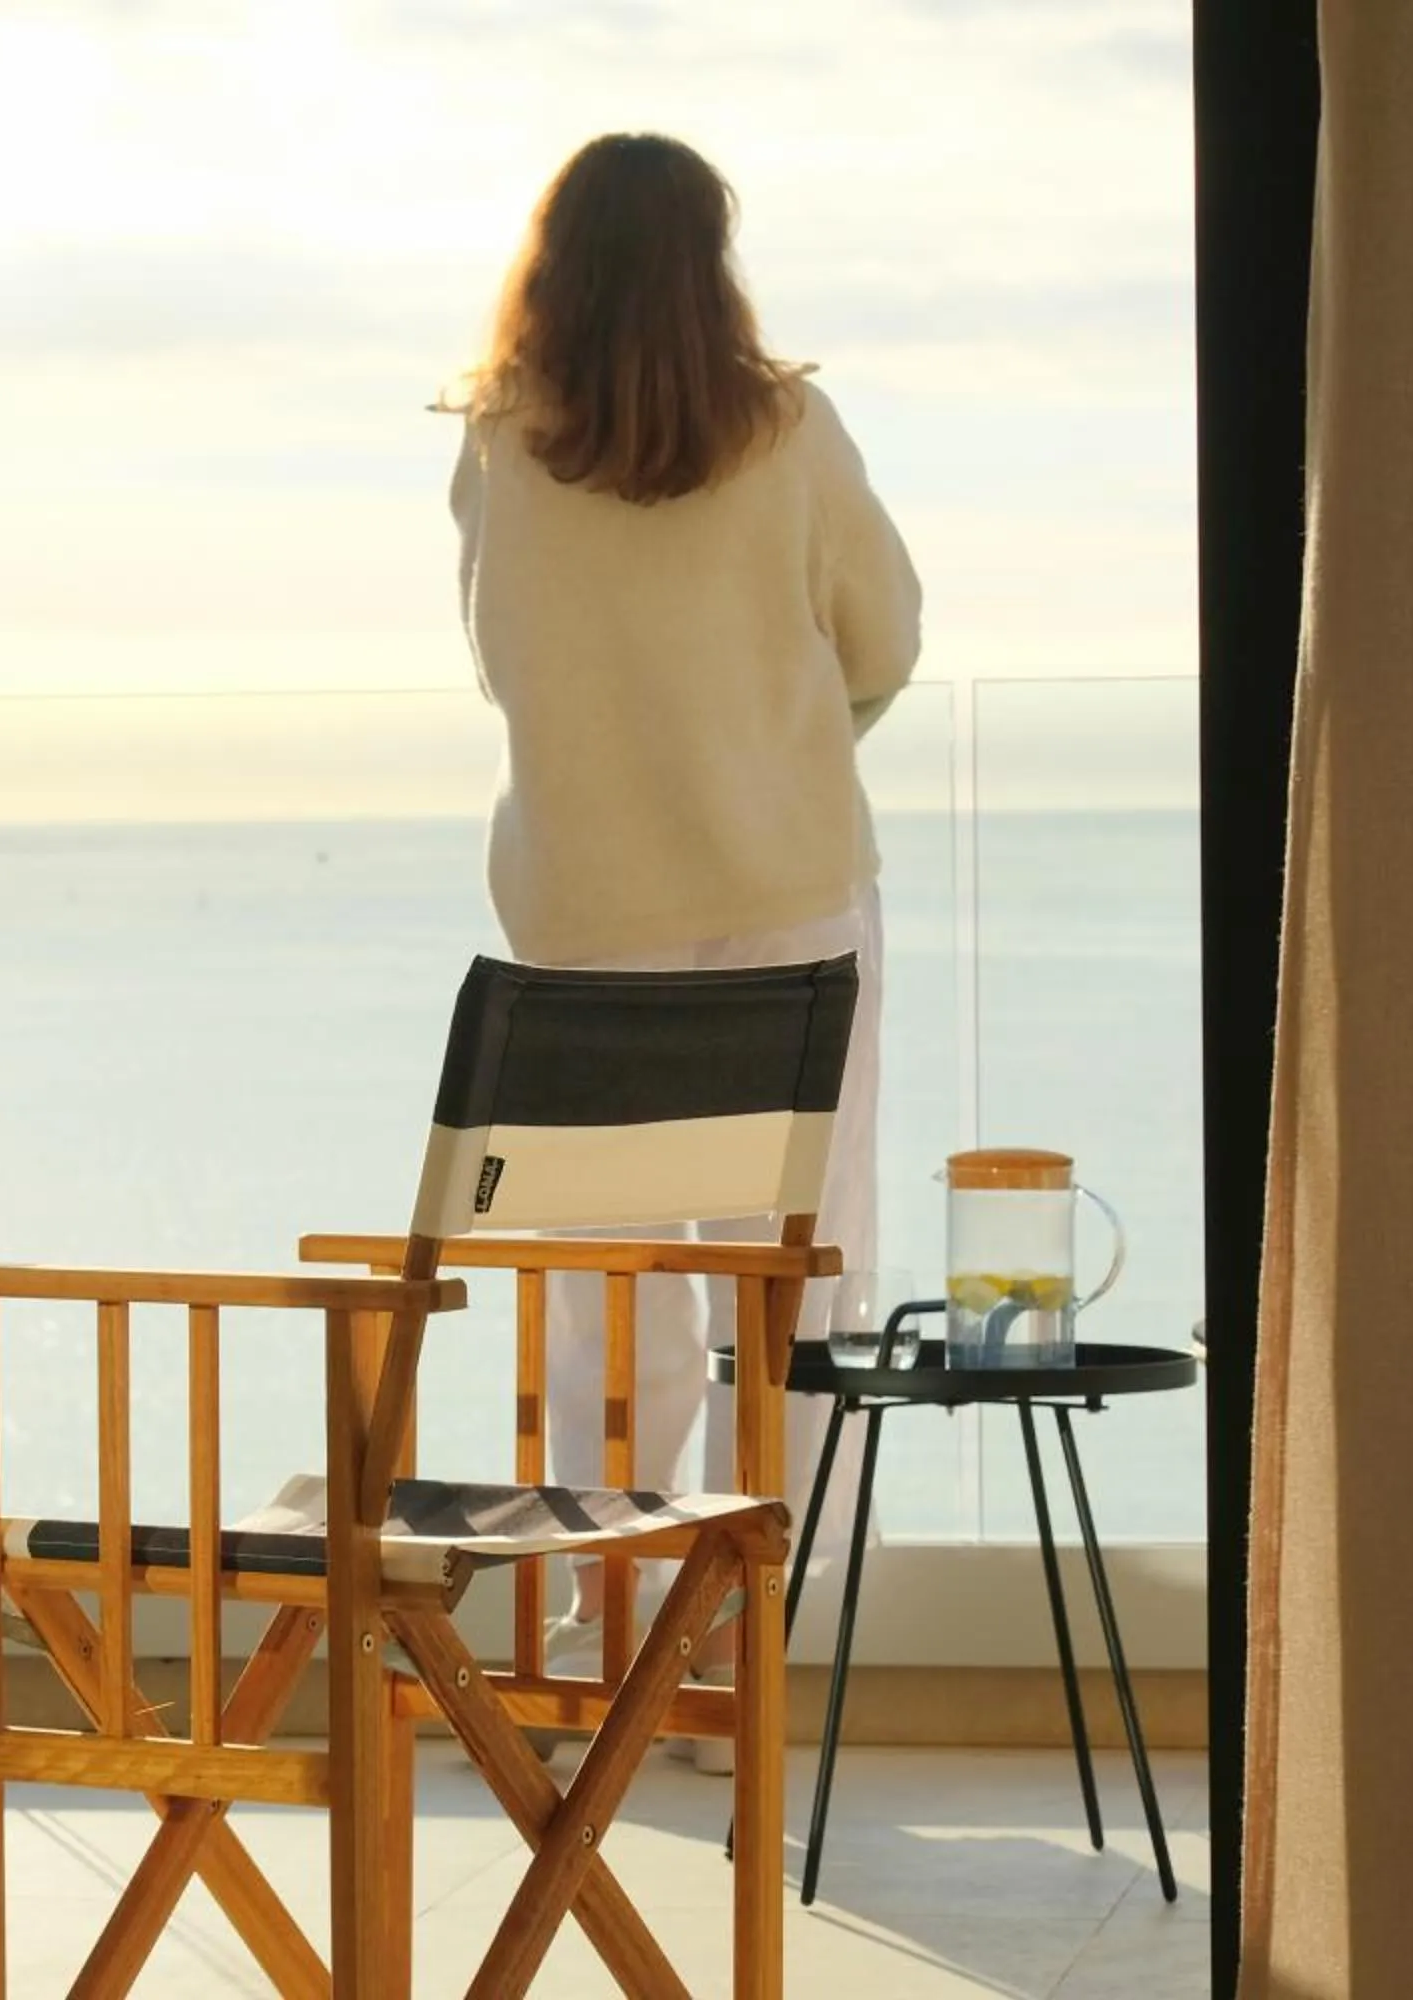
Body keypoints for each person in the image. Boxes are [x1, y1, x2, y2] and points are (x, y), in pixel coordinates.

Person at [445, 131, 921, 1761]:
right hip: (794, 909)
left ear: (548, 263)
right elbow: (888, 640)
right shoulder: (787, 430)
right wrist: (790, 744)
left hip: (584, 931)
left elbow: (501, 667)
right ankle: (765, 1656)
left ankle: (611, 1645)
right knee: (804, 1295)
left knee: (609, 1304)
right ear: (714, 261)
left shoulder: (504, 448)